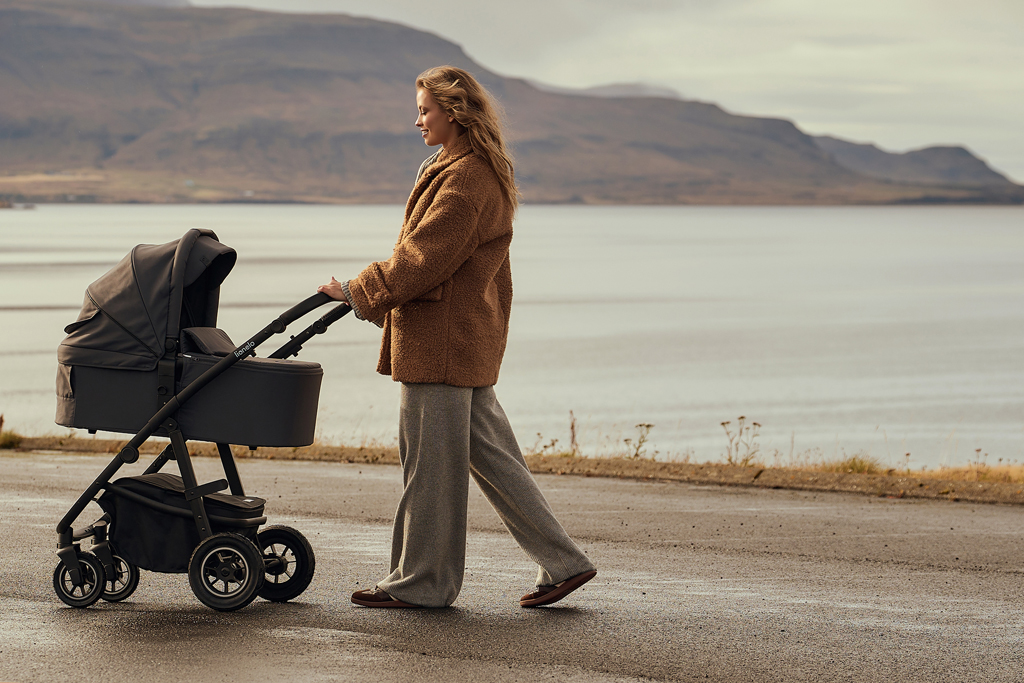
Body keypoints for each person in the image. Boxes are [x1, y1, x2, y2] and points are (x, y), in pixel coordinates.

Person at [317, 66, 596, 609]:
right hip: (465, 337)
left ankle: (423, 584)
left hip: (441, 344)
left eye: (424, 109)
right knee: (495, 461)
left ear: (454, 111)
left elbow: (424, 258)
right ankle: (565, 562)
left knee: (430, 471)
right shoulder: (464, 168)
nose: (417, 119)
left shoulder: (467, 179)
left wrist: (355, 289)